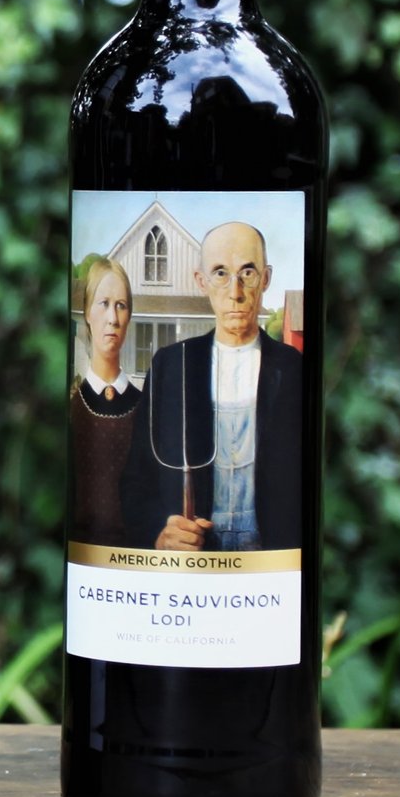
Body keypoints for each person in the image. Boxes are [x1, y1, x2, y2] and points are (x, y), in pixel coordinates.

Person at [117, 222, 305, 552]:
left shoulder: (293, 369)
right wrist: (159, 532)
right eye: (220, 273)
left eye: (247, 272)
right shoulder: (172, 366)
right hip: (196, 558)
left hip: (270, 558)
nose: (235, 291)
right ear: (201, 281)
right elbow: (137, 479)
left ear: (266, 278)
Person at [70, 257, 142, 543]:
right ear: (88, 312)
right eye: (103, 304)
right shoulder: (71, 409)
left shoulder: (147, 409)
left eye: (121, 305)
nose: (113, 318)